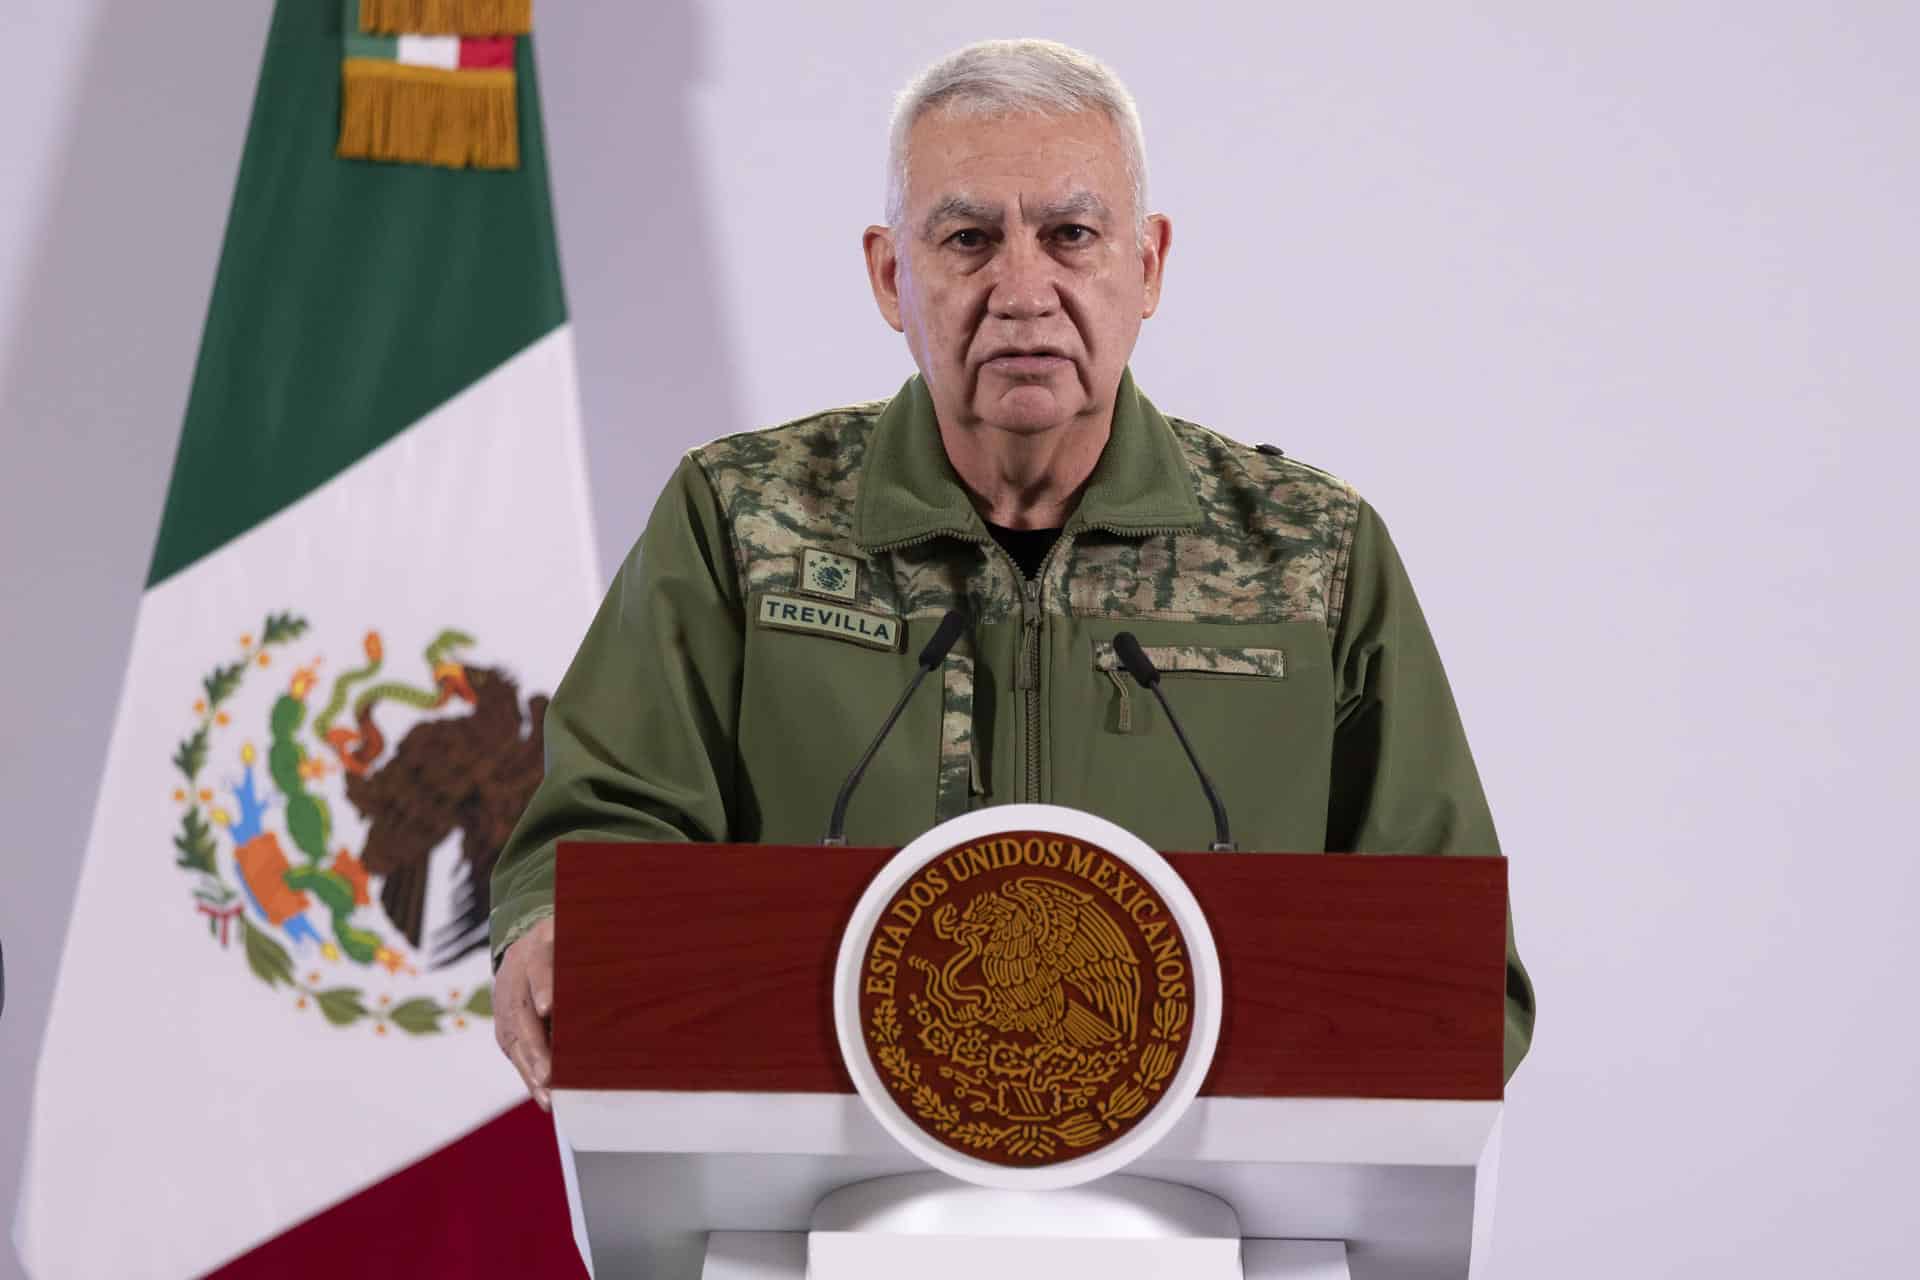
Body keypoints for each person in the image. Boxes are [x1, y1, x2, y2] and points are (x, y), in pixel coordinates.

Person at [490, 39, 1535, 1108]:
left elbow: (1450, 967)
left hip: (1202, 1221)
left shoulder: (1313, 552)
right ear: (893, 275)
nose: (1022, 289)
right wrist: (554, 920)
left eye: (1072, 235)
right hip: (825, 1206)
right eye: (969, 238)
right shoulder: (743, 518)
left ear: (1149, 266)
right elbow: (605, 825)